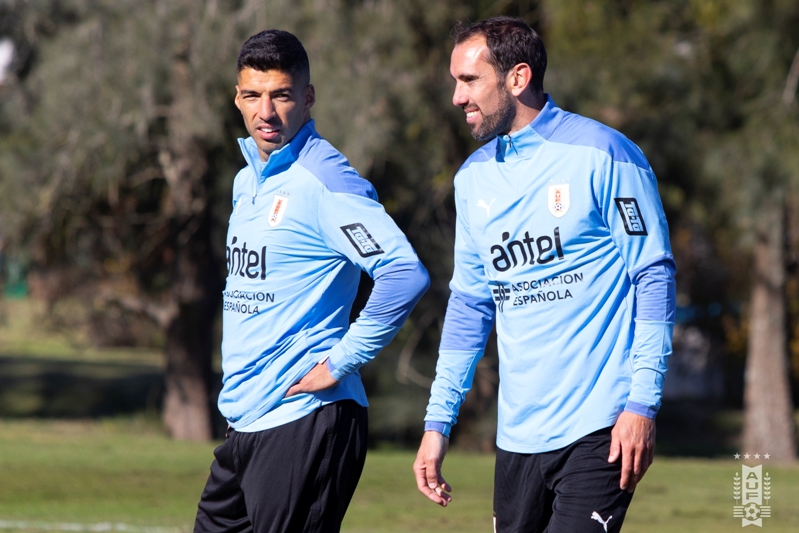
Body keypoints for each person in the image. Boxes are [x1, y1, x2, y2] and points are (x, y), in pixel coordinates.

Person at [413, 17, 676, 533]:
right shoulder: (472, 179)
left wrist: (642, 403)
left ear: (517, 77)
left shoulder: (604, 154)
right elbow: (470, 306)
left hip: (601, 426)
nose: (456, 97)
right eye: (455, 82)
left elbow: (653, 277)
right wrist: (437, 422)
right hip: (517, 438)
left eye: (469, 81)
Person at [194, 29, 429, 533]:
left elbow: (404, 273)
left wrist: (343, 360)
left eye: (281, 95)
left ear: (307, 97)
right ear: (237, 98)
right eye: (253, 96)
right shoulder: (246, 181)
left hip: (307, 418)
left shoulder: (325, 180)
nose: (266, 112)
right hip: (246, 424)